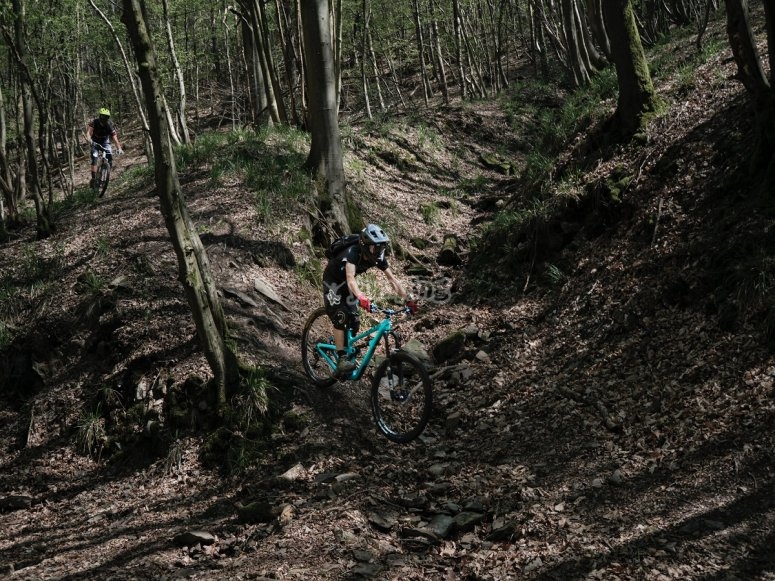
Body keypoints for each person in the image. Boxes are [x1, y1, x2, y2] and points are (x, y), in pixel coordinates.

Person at [323, 223, 418, 376]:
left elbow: (392, 279)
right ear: (365, 245)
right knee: (340, 316)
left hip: (347, 285)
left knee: (354, 321)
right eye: (376, 247)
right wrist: (360, 296)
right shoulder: (352, 252)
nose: (379, 251)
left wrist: (407, 299)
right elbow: (350, 278)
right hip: (333, 281)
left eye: (381, 247)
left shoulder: (378, 257)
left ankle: (341, 345)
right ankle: (341, 358)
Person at [87, 107, 123, 189]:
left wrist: (119, 148)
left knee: (109, 157)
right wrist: (89, 140)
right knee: (95, 157)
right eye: (103, 116)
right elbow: (89, 133)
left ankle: (105, 176)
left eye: (106, 117)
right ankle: (93, 178)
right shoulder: (94, 122)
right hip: (95, 141)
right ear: (100, 116)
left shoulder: (109, 124)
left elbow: (114, 138)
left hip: (105, 141)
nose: (105, 119)